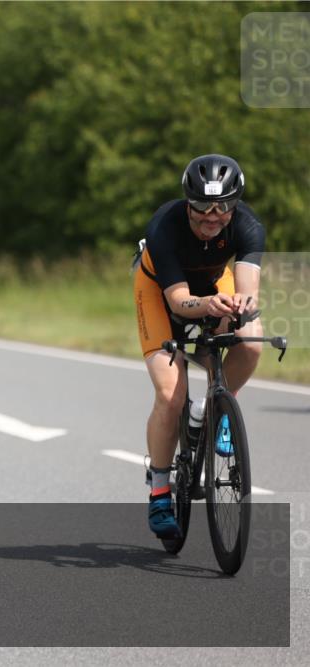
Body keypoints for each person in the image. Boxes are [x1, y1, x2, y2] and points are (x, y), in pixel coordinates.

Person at [133, 154, 265, 539]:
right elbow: (177, 301)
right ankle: (159, 490)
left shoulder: (248, 225)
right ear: (187, 202)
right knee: (171, 395)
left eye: (223, 206)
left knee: (250, 339)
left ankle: (216, 410)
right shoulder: (165, 226)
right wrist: (207, 306)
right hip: (159, 292)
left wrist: (241, 306)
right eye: (202, 207)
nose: (212, 216)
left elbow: (249, 293)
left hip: (211, 283)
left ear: (235, 204)